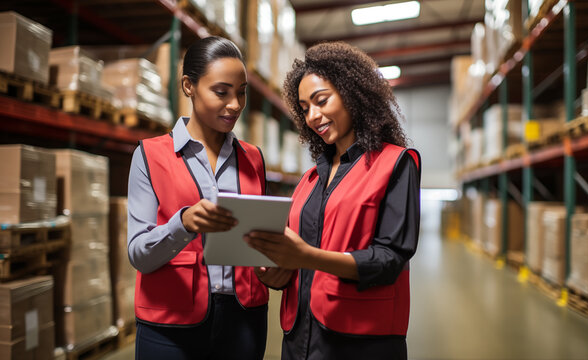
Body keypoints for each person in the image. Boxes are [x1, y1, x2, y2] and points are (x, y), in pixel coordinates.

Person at [245, 42, 421, 360]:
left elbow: (390, 260)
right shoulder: (309, 180)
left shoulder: (396, 163)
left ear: (352, 93)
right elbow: (299, 258)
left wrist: (308, 257)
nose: (313, 116)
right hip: (300, 337)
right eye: (304, 108)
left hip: (360, 341)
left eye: (321, 101)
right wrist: (276, 273)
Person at [127, 36, 270, 360]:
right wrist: (183, 224)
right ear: (189, 85)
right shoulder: (150, 155)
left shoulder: (253, 159)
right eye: (221, 92)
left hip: (244, 320)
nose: (235, 104)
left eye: (241, 92)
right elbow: (138, 253)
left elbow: (261, 241)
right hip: (170, 326)